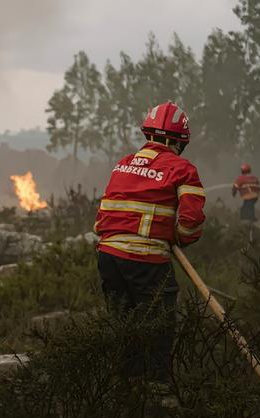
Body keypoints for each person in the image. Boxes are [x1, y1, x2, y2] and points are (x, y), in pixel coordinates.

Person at [94, 101, 206, 385]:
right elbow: (192, 221)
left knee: (123, 328)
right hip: (146, 261)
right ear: (179, 141)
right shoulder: (182, 168)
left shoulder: (123, 164)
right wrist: (178, 237)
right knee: (158, 329)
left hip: (108, 257)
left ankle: (121, 397)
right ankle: (157, 401)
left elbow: (102, 217)